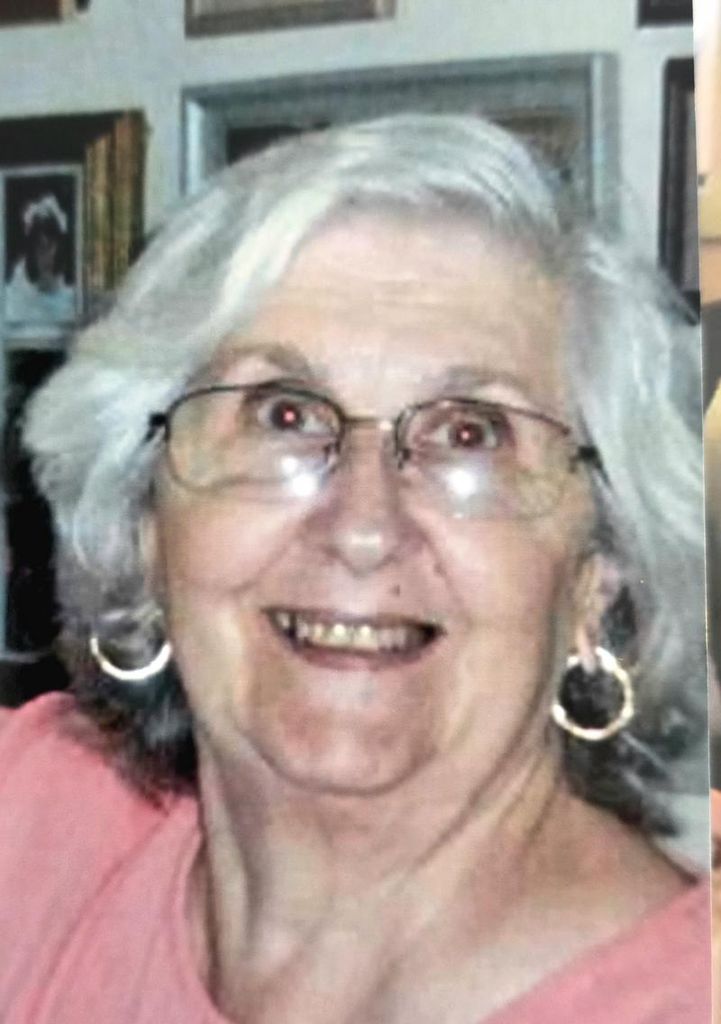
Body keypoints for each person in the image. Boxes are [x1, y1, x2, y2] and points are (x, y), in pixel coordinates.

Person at [0, 114, 709, 1023]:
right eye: (283, 415)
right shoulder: (34, 824)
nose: (363, 527)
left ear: (591, 580)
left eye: (470, 434)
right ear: (146, 524)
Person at [4, 191, 75, 326]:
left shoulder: (73, 301)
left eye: (50, 245)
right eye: (40, 247)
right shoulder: (11, 299)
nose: (47, 255)